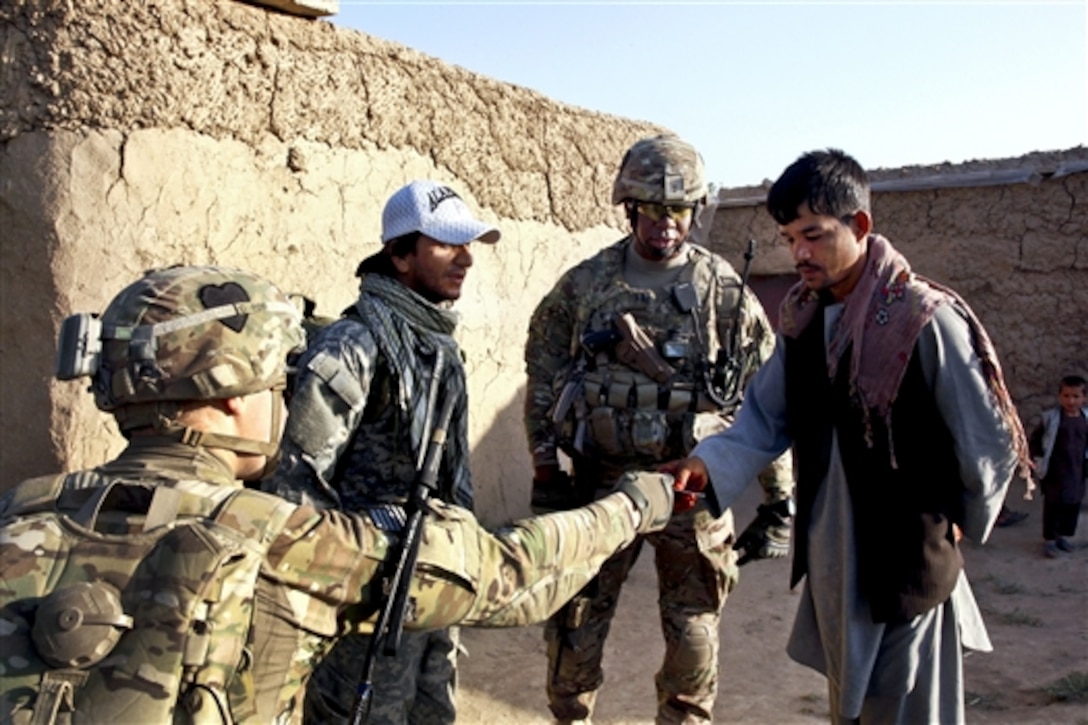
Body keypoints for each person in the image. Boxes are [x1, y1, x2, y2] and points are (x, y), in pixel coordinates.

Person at [0, 264, 677, 724]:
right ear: (233, 398)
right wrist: (633, 506)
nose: (286, 399)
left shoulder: (17, 513)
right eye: (277, 385)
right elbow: (510, 573)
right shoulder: (289, 541)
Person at [662, 148, 1032, 724]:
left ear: (859, 226)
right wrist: (706, 464)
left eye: (813, 235)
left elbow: (986, 438)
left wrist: (959, 518)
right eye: (788, 239)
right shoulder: (806, 320)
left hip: (906, 563)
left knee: (909, 708)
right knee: (852, 707)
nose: (799, 253)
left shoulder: (922, 318)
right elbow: (763, 417)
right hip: (838, 562)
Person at [524, 134, 794, 724]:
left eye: (677, 210)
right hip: (600, 486)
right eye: (652, 209)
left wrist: (779, 498)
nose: (666, 224)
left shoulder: (722, 288)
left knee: (694, 630)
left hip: (689, 492)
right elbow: (543, 369)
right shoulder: (585, 284)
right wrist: (546, 465)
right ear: (629, 208)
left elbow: (764, 395)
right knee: (575, 620)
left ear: (694, 212)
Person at [263, 179, 500, 724]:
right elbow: (294, 487)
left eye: (468, 245)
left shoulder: (437, 344)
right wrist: (357, 565)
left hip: (434, 581)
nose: (465, 259)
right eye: (446, 244)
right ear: (398, 253)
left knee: (432, 713)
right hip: (369, 603)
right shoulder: (355, 344)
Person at [1029, 374, 1087, 557]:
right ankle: (1050, 540)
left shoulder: (1086, 419)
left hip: (1077, 470)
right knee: (1053, 505)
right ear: (1060, 397)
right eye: (1066, 396)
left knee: (1073, 504)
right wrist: (1036, 459)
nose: (1071, 400)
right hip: (1055, 470)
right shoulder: (1050, 419)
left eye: (1076, 396)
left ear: (1084, 398)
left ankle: (1062, 536)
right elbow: (1036, 440)